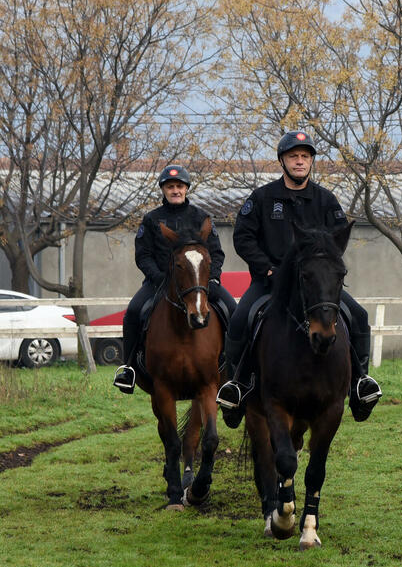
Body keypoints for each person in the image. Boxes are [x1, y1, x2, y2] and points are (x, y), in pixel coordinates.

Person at [215, 130, 382, 428]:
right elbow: (243, 237)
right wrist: (266, 268)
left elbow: (338, 240)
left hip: (317, 288)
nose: (300, 161)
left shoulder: (325, 200)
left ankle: (360, 384)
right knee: (240, 318)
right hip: (271, 284)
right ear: (283, 161)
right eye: (294, 156)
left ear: (311, 162)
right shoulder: (262, 198)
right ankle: (235, 387)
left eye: (305, 156)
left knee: (358, 315)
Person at [113, 165, 235, 393]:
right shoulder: (151, 220)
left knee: (233, 310)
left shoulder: (202, 217)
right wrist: (158, 277)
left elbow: (216, 253)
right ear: (163, 190)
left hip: (200, 283)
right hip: (159, 283)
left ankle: (235, 372)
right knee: (132, 311)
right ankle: (128, 368)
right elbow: (143, 255)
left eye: (179, 186)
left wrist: (213, 279)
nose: (175, 190)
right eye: (170, 187)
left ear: (186, 188)